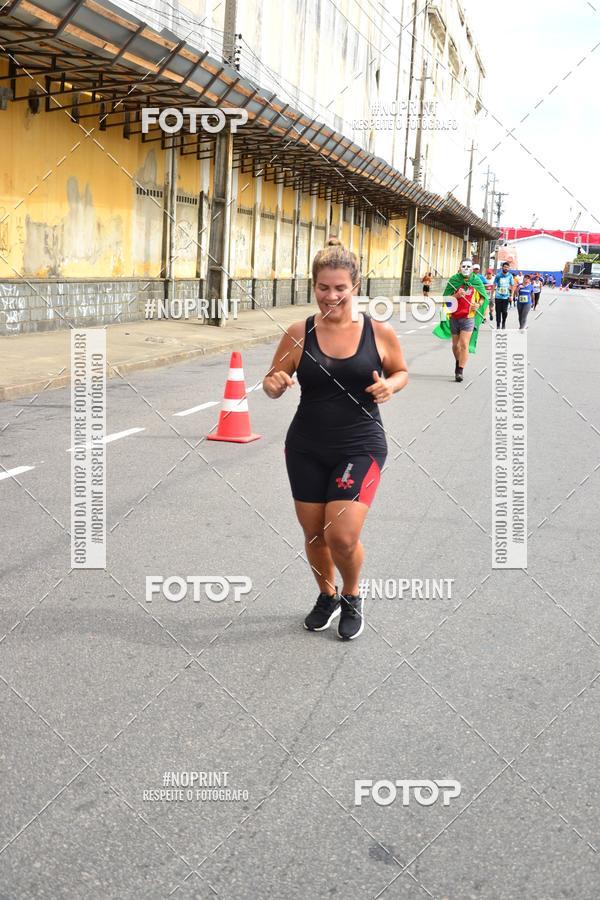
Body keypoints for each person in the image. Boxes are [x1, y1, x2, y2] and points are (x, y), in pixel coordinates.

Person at [263, 238, 408, 640]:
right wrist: (274, 384)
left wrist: (390, 387)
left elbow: (401, 371)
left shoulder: (378, 332)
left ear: (355, 286)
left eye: (340, 287)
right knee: (313, 534)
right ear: (314, 286)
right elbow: (272, 382)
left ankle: (352, 595)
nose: (331, 296)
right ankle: (326, 596)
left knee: (340, 535)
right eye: (323, 287)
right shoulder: (298, 332)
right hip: (306, 447)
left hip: (360, 446)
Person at [445, 260, 486, 382]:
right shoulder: (454, 281)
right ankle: (458, 362)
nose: (466, 268)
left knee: (463, 344)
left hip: (469, 317)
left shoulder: (476, 281)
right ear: (460, 267)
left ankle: (460, 371)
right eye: (464, 266)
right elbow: (445, 299)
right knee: (455, 346)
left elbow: (484, 297)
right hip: (454, 316)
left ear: (472, 268)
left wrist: (478, 305)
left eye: (469, 266)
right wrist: (456, 296)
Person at [493, 262, 514, 329]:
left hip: (506, 297)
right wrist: (492, 295)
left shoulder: (510, 276)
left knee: (504, 312)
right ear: (502, 267)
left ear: (509, 268)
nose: (506, 268)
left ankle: (503, 322)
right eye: (504, 267)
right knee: (498, 312)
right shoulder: (498, 275)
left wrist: (511, 295)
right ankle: (498, 325)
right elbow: (494, 285)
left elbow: (512, 286)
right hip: (498, 296)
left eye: (507, 267)